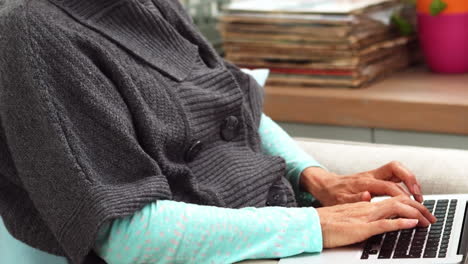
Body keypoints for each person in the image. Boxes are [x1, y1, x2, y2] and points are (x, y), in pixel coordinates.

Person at [0, 0, 436, 263]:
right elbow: (127, 237)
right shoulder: (33, 34)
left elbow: (229, 98)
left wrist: (316, 180)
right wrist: (316, 226)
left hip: (276, 222)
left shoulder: (148, 5)